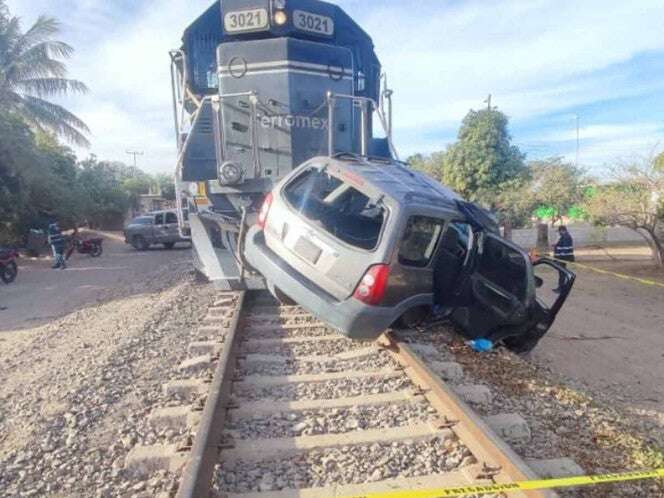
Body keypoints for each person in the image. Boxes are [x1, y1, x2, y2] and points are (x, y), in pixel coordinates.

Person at [552, 225, 574, 292]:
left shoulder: (566, 237)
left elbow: (565, 249)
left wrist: (559, 258)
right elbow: (562, 246)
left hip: (562, 258)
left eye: (559, 231)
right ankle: (561, 287)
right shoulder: (564, 237)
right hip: (561, 258)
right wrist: (556, 245)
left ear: (562, 230)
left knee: (562, 273)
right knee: (561, 273)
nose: (559, 233)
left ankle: (561, 288)